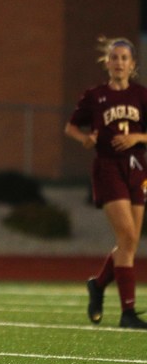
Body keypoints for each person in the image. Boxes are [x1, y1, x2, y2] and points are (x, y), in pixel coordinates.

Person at [65, 36, 147, 330]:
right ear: (107, 63)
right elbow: (71, 126)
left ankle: (98, 286)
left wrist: (138, 137)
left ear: (133, 64)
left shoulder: (141, 95)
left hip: (137, 168)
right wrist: (84, 138)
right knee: (126, 236)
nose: (119, 63)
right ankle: (128, 313)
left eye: (124, 58)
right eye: (114, 58)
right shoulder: (96, 96)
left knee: (130, 242)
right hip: (108, 167)